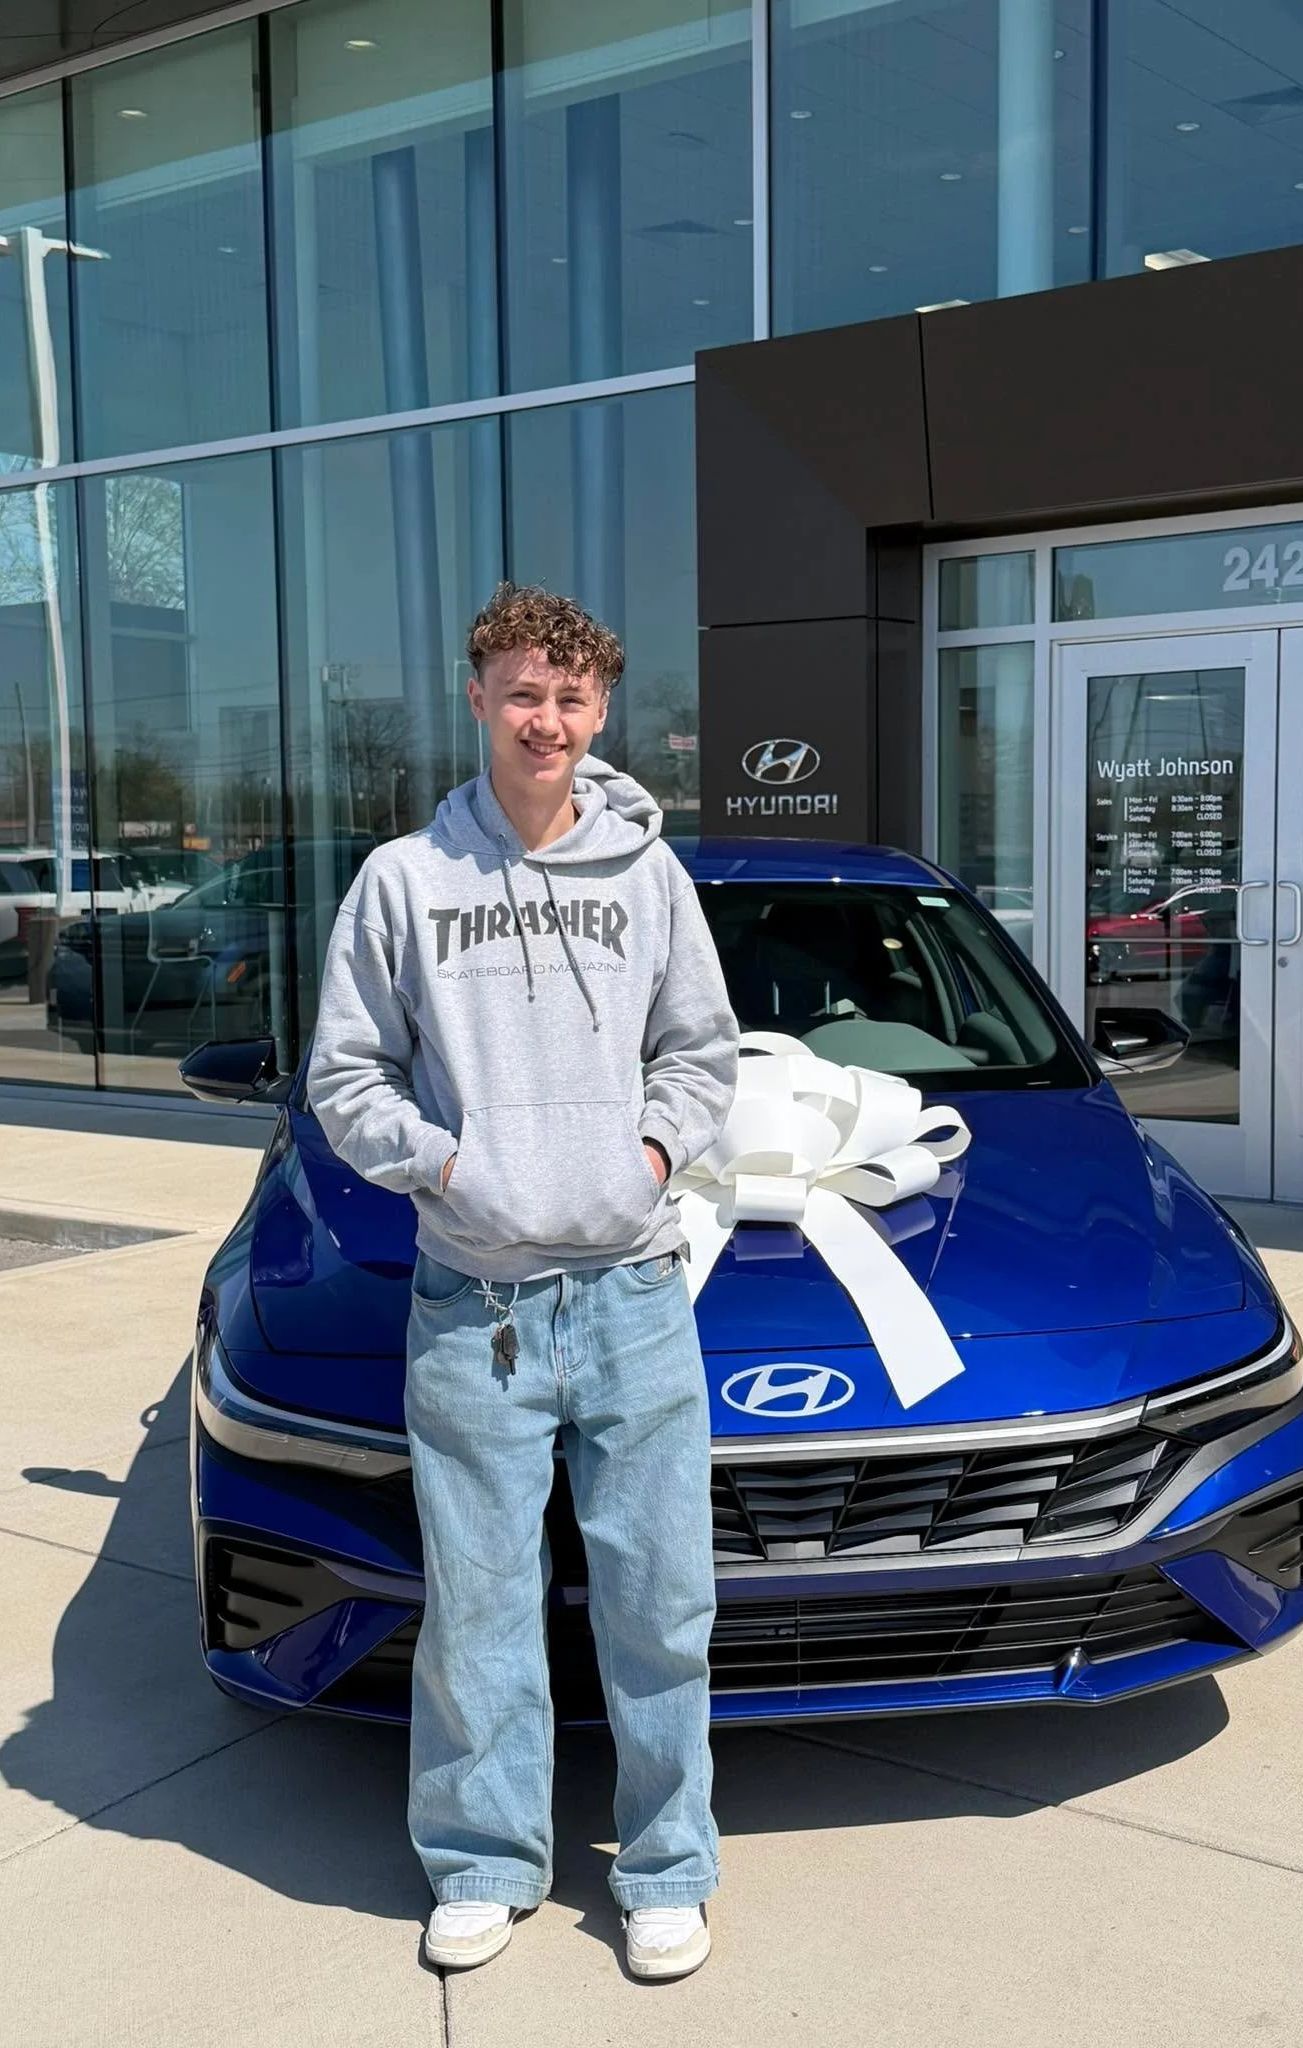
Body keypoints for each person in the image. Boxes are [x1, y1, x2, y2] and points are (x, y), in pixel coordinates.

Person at [308, 584, 738, 1982]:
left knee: (662, 1599)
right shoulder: (404, 881)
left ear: (600, 708)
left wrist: (654, 1152)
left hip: (632, 1292)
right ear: (479, 700)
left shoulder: (652, 879)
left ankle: (667, 1866)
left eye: (567, 696)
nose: (544, 719)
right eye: (518, 693)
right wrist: (444, 1169)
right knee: (483, 1602)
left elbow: (703, 1051)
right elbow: (343, 1077)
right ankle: (485, 1860)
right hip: (475, 1304)